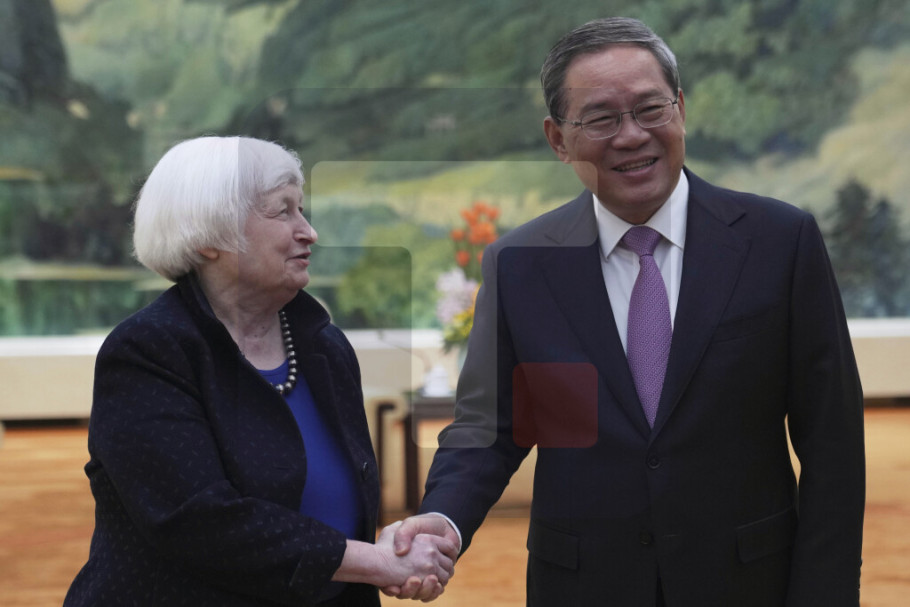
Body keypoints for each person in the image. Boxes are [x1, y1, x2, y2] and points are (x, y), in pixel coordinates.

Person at [390, 17, 865, 606]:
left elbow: (833, 444)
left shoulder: (779, 242)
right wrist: (444, 519)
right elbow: (488, 429)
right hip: (584, 586)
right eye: (601, 119)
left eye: (649, 109)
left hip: (747, 583)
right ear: (558, 139)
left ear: (681, 109)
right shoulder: (520, 265)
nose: (632, 135)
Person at [64, 136, 456, 606]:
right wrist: (375, 562)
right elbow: (198, 521)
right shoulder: (147, 351)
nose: (308, 232)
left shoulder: (325, 346)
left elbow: (347, 508)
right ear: (209, 234)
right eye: (282, 211)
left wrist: (392, 550)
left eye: (301, 209)